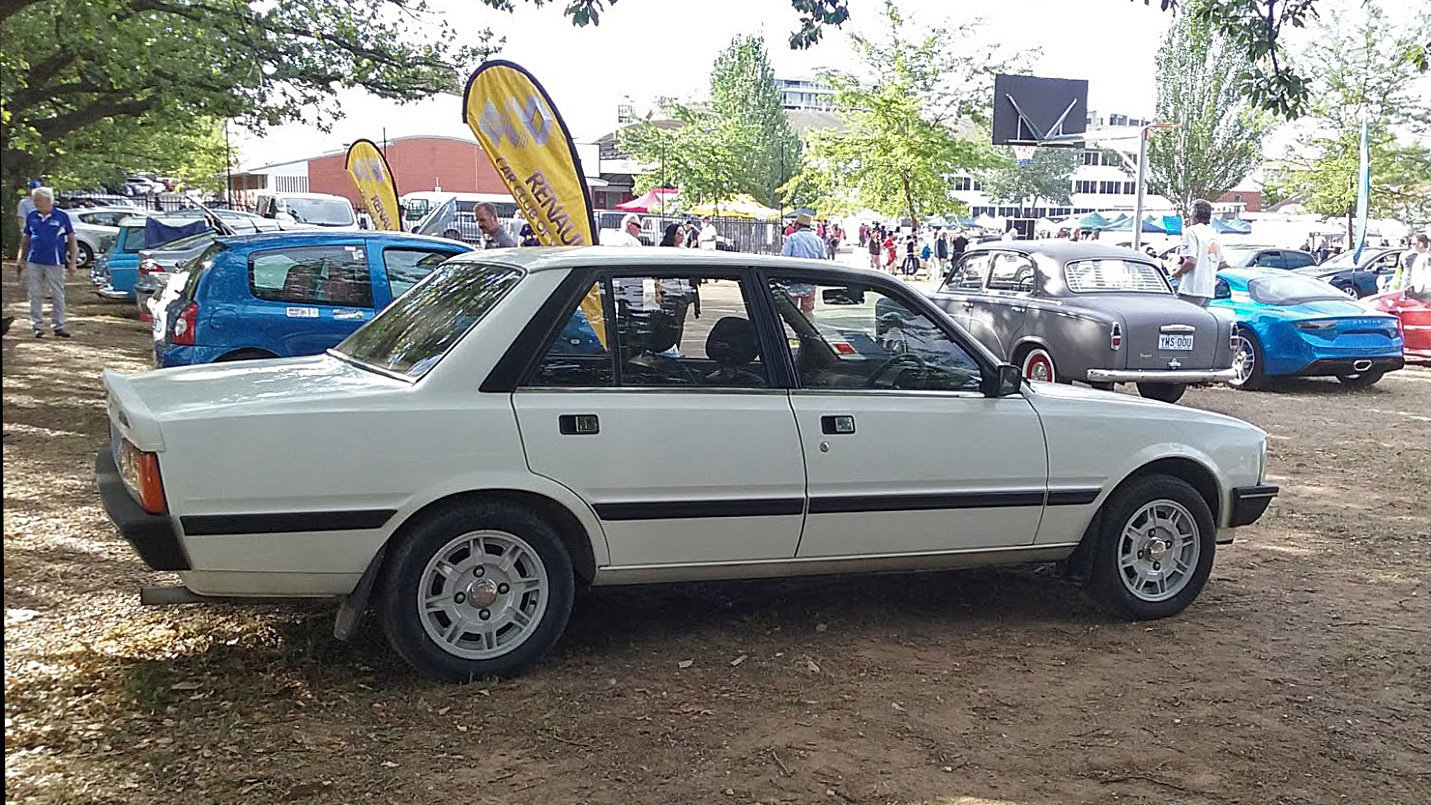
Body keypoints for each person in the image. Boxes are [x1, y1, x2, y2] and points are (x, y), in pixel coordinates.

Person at [14, 186, 76, 338]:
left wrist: (73, 262)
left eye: (37, 200)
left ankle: (58, 326)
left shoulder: (62, 216)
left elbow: (72, 240)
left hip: (55, 261)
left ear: (48, 200)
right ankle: (37, 326)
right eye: (34, 200)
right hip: (34, 261)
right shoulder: (32, 216)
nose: (34, 203)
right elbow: (25, 239)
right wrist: (20, 258)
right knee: (35, 294)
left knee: (57, 294)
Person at [1172, 199, 1221, 308]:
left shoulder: (1191, 231)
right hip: (1208, 290)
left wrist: (1178, 273)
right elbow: (1222, 263)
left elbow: (1191, 261)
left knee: (1185, 322)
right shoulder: (1214, 234)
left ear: (1195, 212)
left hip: (1192, 289)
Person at [779, 213, 825, 313]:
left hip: (792, 281)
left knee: (791, 313)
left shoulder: (792, 238)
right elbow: (823, 260)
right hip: (810, 281)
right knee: (808, 313)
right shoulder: (818, 241)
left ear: (798, 225)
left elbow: (783, 258)